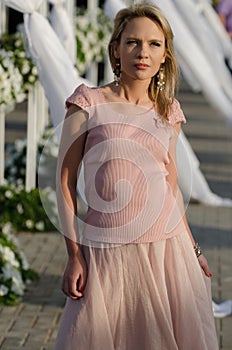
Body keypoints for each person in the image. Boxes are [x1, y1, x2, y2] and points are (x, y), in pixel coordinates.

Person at [54, 3, 218, 349]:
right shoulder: (87, 103)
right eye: (133, 42)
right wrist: (74, 255)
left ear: (164, 55)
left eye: (154, 44)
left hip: (167, 252)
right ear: (116, 49)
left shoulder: (168, 111)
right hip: (108, 252)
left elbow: (170, 186)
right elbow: (64, 183)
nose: (143, 52)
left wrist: (194, 248)